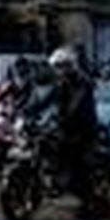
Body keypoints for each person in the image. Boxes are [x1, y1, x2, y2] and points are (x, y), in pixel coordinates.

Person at [40, 46, 99, 200]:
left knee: (78, 160)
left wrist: (63, 118)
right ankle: (54, 177)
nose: (60, 71)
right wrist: (27, 111)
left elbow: (76, 104)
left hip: (84, 128)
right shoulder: (61, 83)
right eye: (57, 67)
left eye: (62, 66)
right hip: (66, 126)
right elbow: (46, 99)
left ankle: (87, 196)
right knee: (47, 142)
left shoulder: (82, 82)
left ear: (71, 65)